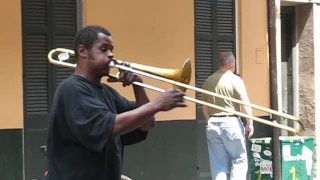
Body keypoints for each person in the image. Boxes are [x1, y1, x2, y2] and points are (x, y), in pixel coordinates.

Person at [46, 25, 187, 180]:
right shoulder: (72, 89)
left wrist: (138, 85)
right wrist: (157, 104)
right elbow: (109, 125)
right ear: (82, 51)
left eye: (112, 49)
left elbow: (146, 124)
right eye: (104, 49)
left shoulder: (107, 92)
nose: (111, 55)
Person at [201, 51, 254, 180]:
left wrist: (211, 121)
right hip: (231, 122)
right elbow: (245, 104)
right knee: (239, 161)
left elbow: (204, 108)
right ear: (231, 63)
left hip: (213, 123)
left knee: (218, 165)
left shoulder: (208, 81)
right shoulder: (235, 80)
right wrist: (250, 122)